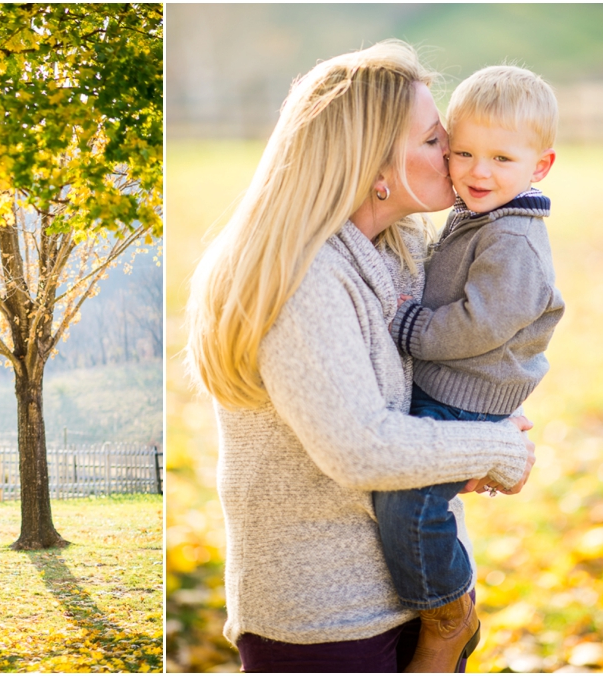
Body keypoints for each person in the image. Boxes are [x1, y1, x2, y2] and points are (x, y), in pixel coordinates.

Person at [185, 40, 536, 673]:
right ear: (372, 162)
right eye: (434, 139)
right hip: (328, 621)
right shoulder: (303, 276)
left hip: (411, 592)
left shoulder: (392, 244)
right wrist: (496, 446)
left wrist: (466, 436)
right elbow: (360, 447)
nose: (454, 149)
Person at [379, 65, 564, 672]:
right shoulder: (483, 214)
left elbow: (480, 322)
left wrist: (411, 329)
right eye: (463, 153)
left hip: (467, 396)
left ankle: (448, 608)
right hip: (450, 384)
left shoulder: (514, 239)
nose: (478, 172)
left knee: (414, 505)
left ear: (540, 166)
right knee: (407, 494)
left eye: (501, 159)